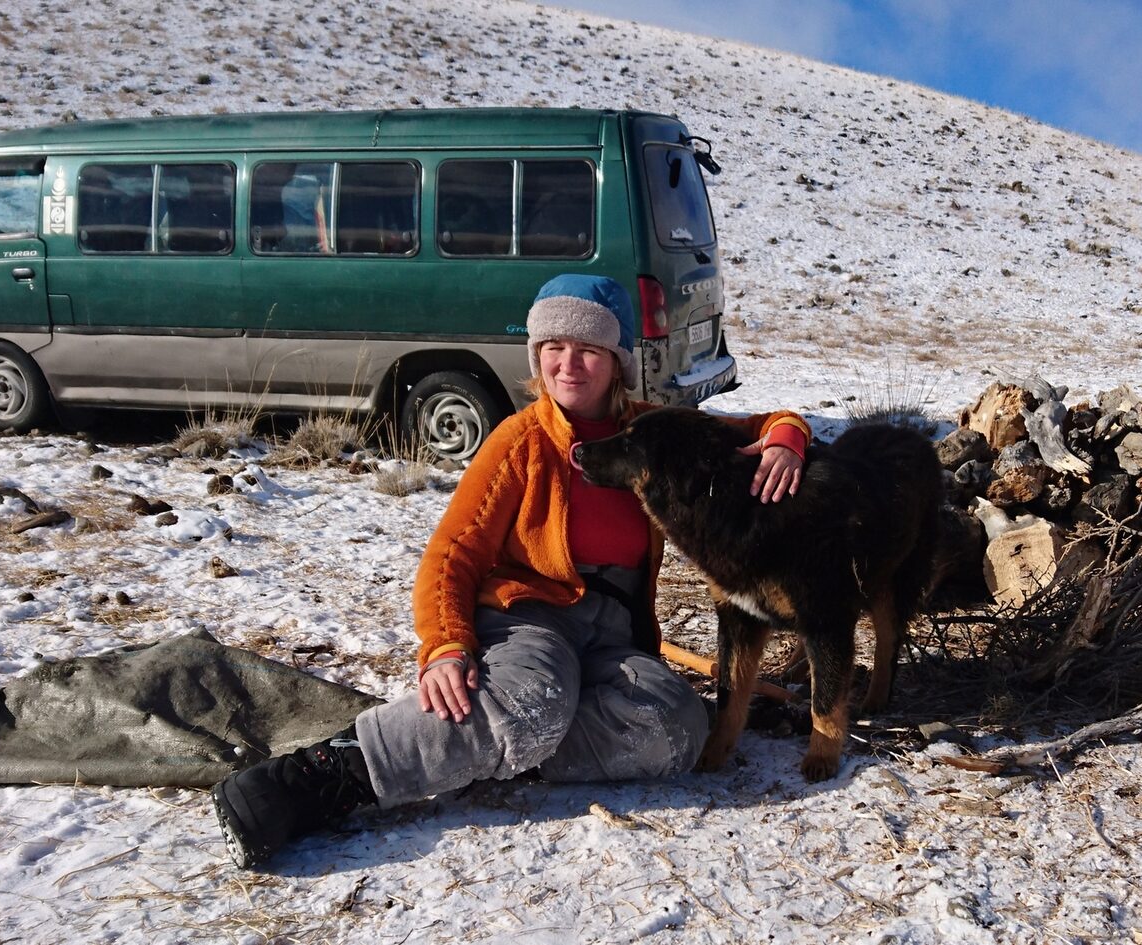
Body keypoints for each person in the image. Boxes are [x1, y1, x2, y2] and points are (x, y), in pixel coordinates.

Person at [212, 274, 810, 867]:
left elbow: (767, 423)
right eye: (553, 348)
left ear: (617, 360)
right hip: (528, 618)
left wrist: (786, 440)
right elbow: (453, 553)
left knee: (676, 725)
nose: (567, 364)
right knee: (534, 699)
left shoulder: (655, 432)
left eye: (587, 349)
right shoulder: (518, 441)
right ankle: (321, 776)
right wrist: (446, 646)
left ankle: (482, 746)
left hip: (613, 631)